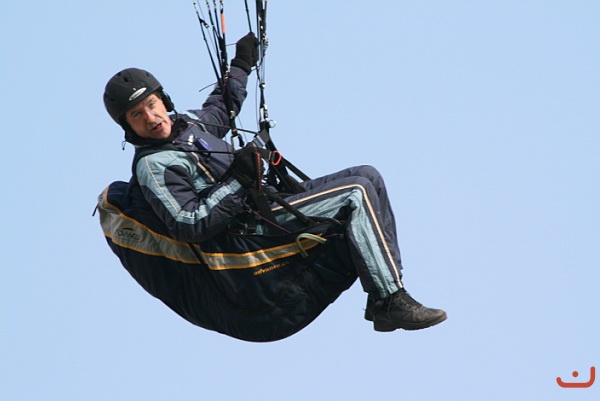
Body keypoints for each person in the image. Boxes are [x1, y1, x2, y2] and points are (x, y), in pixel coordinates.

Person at [99, 32, 446, 342]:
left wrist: (241, 65)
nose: (151, 118)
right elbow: (188, 223)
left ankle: (385, 294)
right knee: (355, 192)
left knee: (369, 176)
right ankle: (389, 300)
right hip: (249, 231)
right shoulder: (154, 165)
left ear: (164, 100)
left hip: (265, 206)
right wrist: (238, 180)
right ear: (127, 126)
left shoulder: (189, 126)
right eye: (137, 115)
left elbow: (222, 106)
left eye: (151, 105)